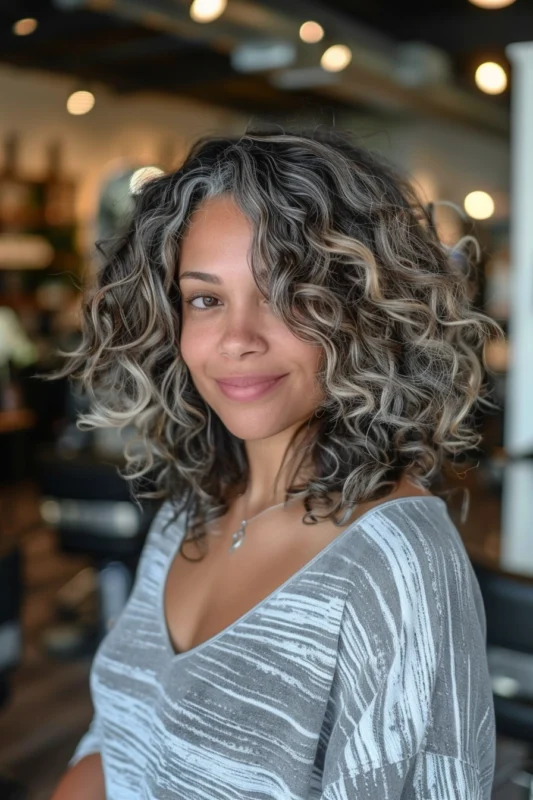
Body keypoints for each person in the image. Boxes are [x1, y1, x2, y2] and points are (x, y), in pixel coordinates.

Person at [49, 126, 503, 799]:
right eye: (206, 299)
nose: (236, 339)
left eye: (286, 295)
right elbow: (118, 742)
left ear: (361, 311)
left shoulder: (398, 562)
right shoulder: (190, 510)